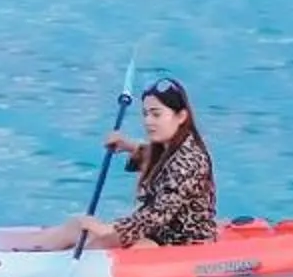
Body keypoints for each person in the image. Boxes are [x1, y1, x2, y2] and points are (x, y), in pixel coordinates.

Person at [11, 77, 218, 250]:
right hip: (157, 234)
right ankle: (20, 251)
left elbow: (157, 215)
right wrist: (129, 146)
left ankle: (31, 261)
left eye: (156, 114)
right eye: (145, 114)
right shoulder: (167, 147)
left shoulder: (189, 161)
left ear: (181, 116)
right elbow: (159, 162)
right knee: (78, 225)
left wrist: (109, 229)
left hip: (182, 243)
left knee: (101, 239)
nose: (148, 121)